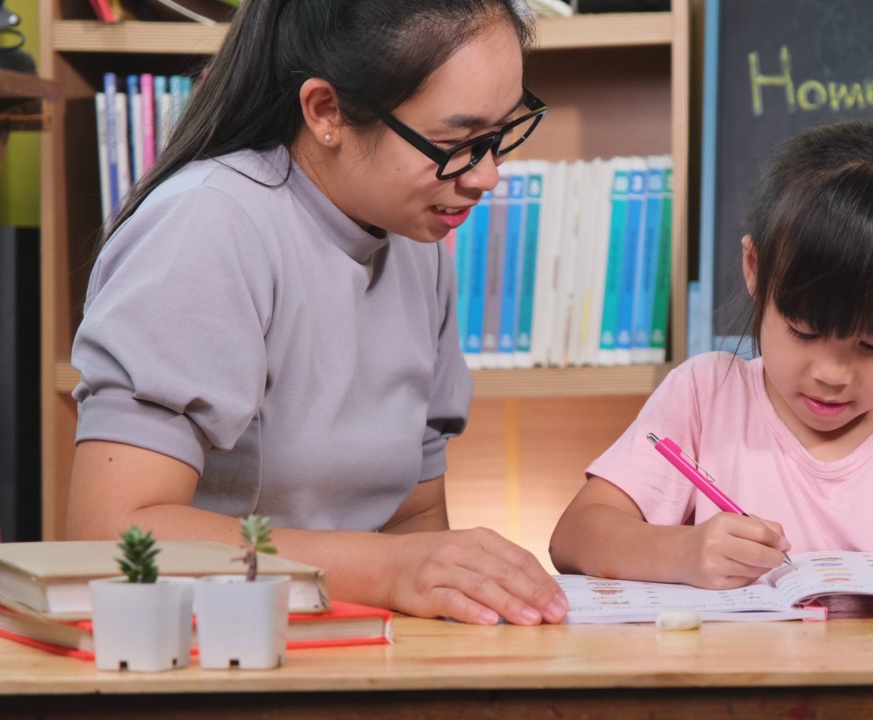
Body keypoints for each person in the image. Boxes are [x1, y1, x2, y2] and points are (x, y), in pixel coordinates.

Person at [67, 0, 568, 626]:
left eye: (500, 135)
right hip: (218, 656)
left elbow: (414, 522)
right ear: (325, 111)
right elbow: (110, 538)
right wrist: (391, 570)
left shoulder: (416, 240)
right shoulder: (208, 225)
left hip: (355, 652)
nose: (488, 176)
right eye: (456, 143)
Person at [549, 121, 873, 590]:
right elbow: (575, 535)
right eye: (803, 331)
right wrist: (682, 552)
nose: (832, 374)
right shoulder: (706, 397)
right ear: (754, 267)